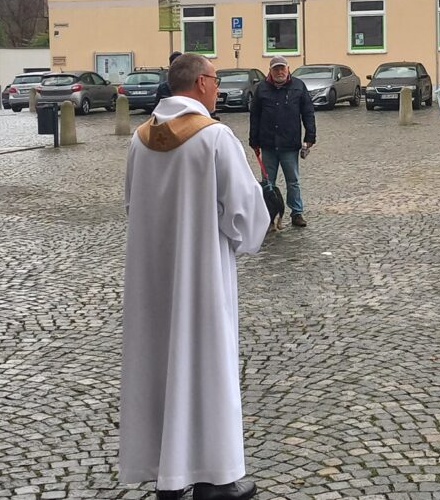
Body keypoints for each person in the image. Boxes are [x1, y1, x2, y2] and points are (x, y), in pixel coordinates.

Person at [119, 53, 266, 500]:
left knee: (159, 366)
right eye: (215, 80)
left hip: (151, 278)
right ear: (201, 83)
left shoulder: (140, 140)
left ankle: (167, 472)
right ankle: (214, 476)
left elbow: (130, 204)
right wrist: (238, 243)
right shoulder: (216, 138)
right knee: (206, 366)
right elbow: (245, 213)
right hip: (201, 275)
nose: (217, 88)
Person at [249, 55, 316, 228]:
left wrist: (310, 137)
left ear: (288, 69)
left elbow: (308, 112)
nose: (279, 71)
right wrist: (253, 140)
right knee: (267, 183)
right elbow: (254, 116)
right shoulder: (262, 88)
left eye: (282, 68)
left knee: (292, 181)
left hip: (289, 143)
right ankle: (267, 215)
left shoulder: (298, 86)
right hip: (268, 143)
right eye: (276, 68)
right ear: (270, 70)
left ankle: (296, 213)